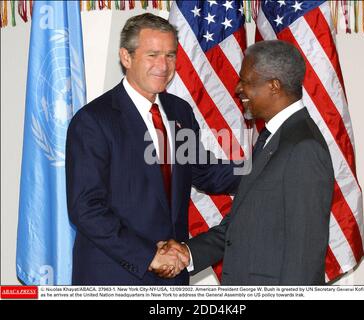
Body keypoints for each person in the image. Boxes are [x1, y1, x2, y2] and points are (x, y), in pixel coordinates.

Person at [65, 13, 240, 285]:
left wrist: (264, 166)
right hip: (115, 276)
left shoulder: (179, 111)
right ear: (126, 57)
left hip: (172, 278)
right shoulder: (93, 120)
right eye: (153, 55)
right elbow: (86, 208)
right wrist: (149, 256)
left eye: (170, 55)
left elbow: (203, 172)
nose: (163, 65)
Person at [157, 40, 335, 285]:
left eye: (246, 81)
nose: (238, 89)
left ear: (274, 86)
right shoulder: (273, 138)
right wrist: (189, 254)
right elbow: (243, 224)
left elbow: (304, 254)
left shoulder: (303, 147)